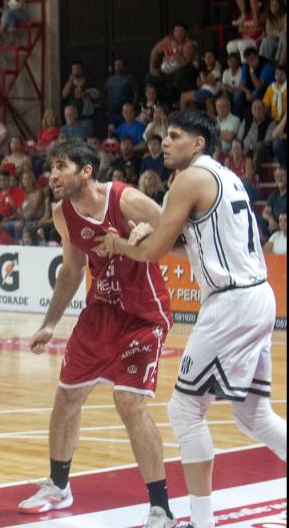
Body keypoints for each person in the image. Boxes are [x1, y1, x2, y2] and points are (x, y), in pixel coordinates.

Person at [97, 109, 287, 528]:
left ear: (198, 144)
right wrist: (151, 236)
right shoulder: (225, 177)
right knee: (255, 415)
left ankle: (201, 522)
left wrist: (121, 244)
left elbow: (151, 252)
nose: (164, 142)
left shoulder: (190, 179)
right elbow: (192, 246)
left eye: (175, 136)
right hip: (257, 296)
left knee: (184, 410)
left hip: (231, 304)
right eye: (164, 136)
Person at [19, 139, 177, 528]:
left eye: (61, 166)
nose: (52, 174)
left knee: (128, 403)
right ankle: (58, 485)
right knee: (66, 397)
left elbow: (176, 232)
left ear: (86, 171)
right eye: (50, 167)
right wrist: (50, 322)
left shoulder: (126, 199)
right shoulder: (61, 214)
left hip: (142, 313)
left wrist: (146, 236)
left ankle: (161, 508)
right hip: (99, 313)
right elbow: (72, 270)